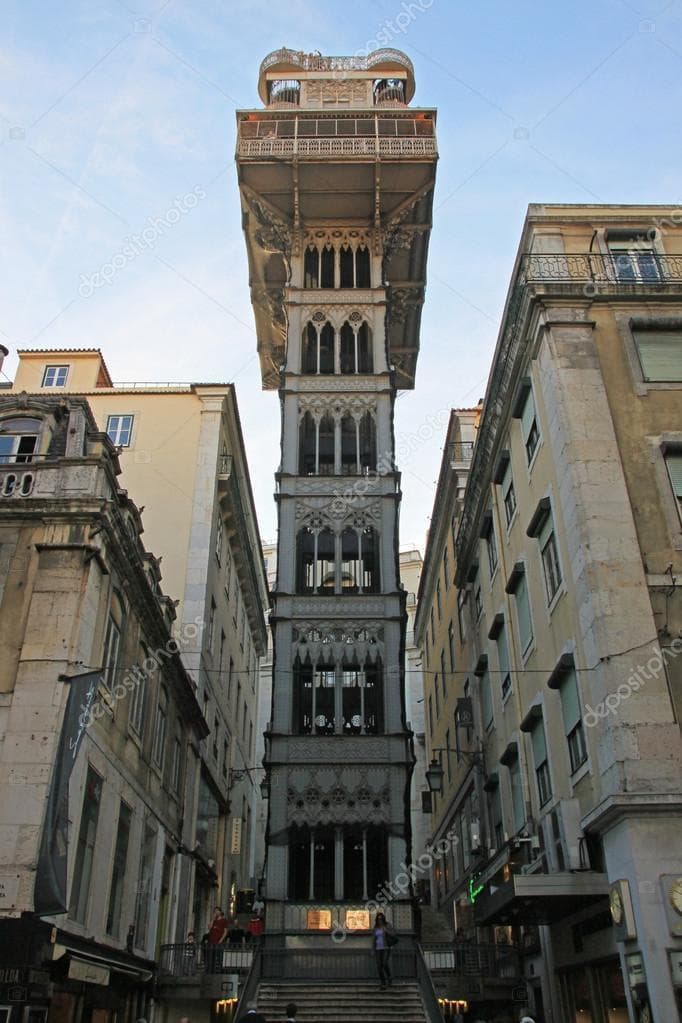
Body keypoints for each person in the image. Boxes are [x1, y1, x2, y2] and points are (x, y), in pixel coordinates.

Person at [372, 911, 395, 990]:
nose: (380, 920)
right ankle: (383, 982)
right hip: (378, 948)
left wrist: (386, 931)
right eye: (378, 919)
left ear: (383, 919)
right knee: (379, 966)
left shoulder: (387, 925)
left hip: (386, 948)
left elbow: (393, 934)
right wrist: (373, 949)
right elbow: (374, 939)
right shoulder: (376, 927)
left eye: (381, 919)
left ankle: (389, 977)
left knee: (385, 963)